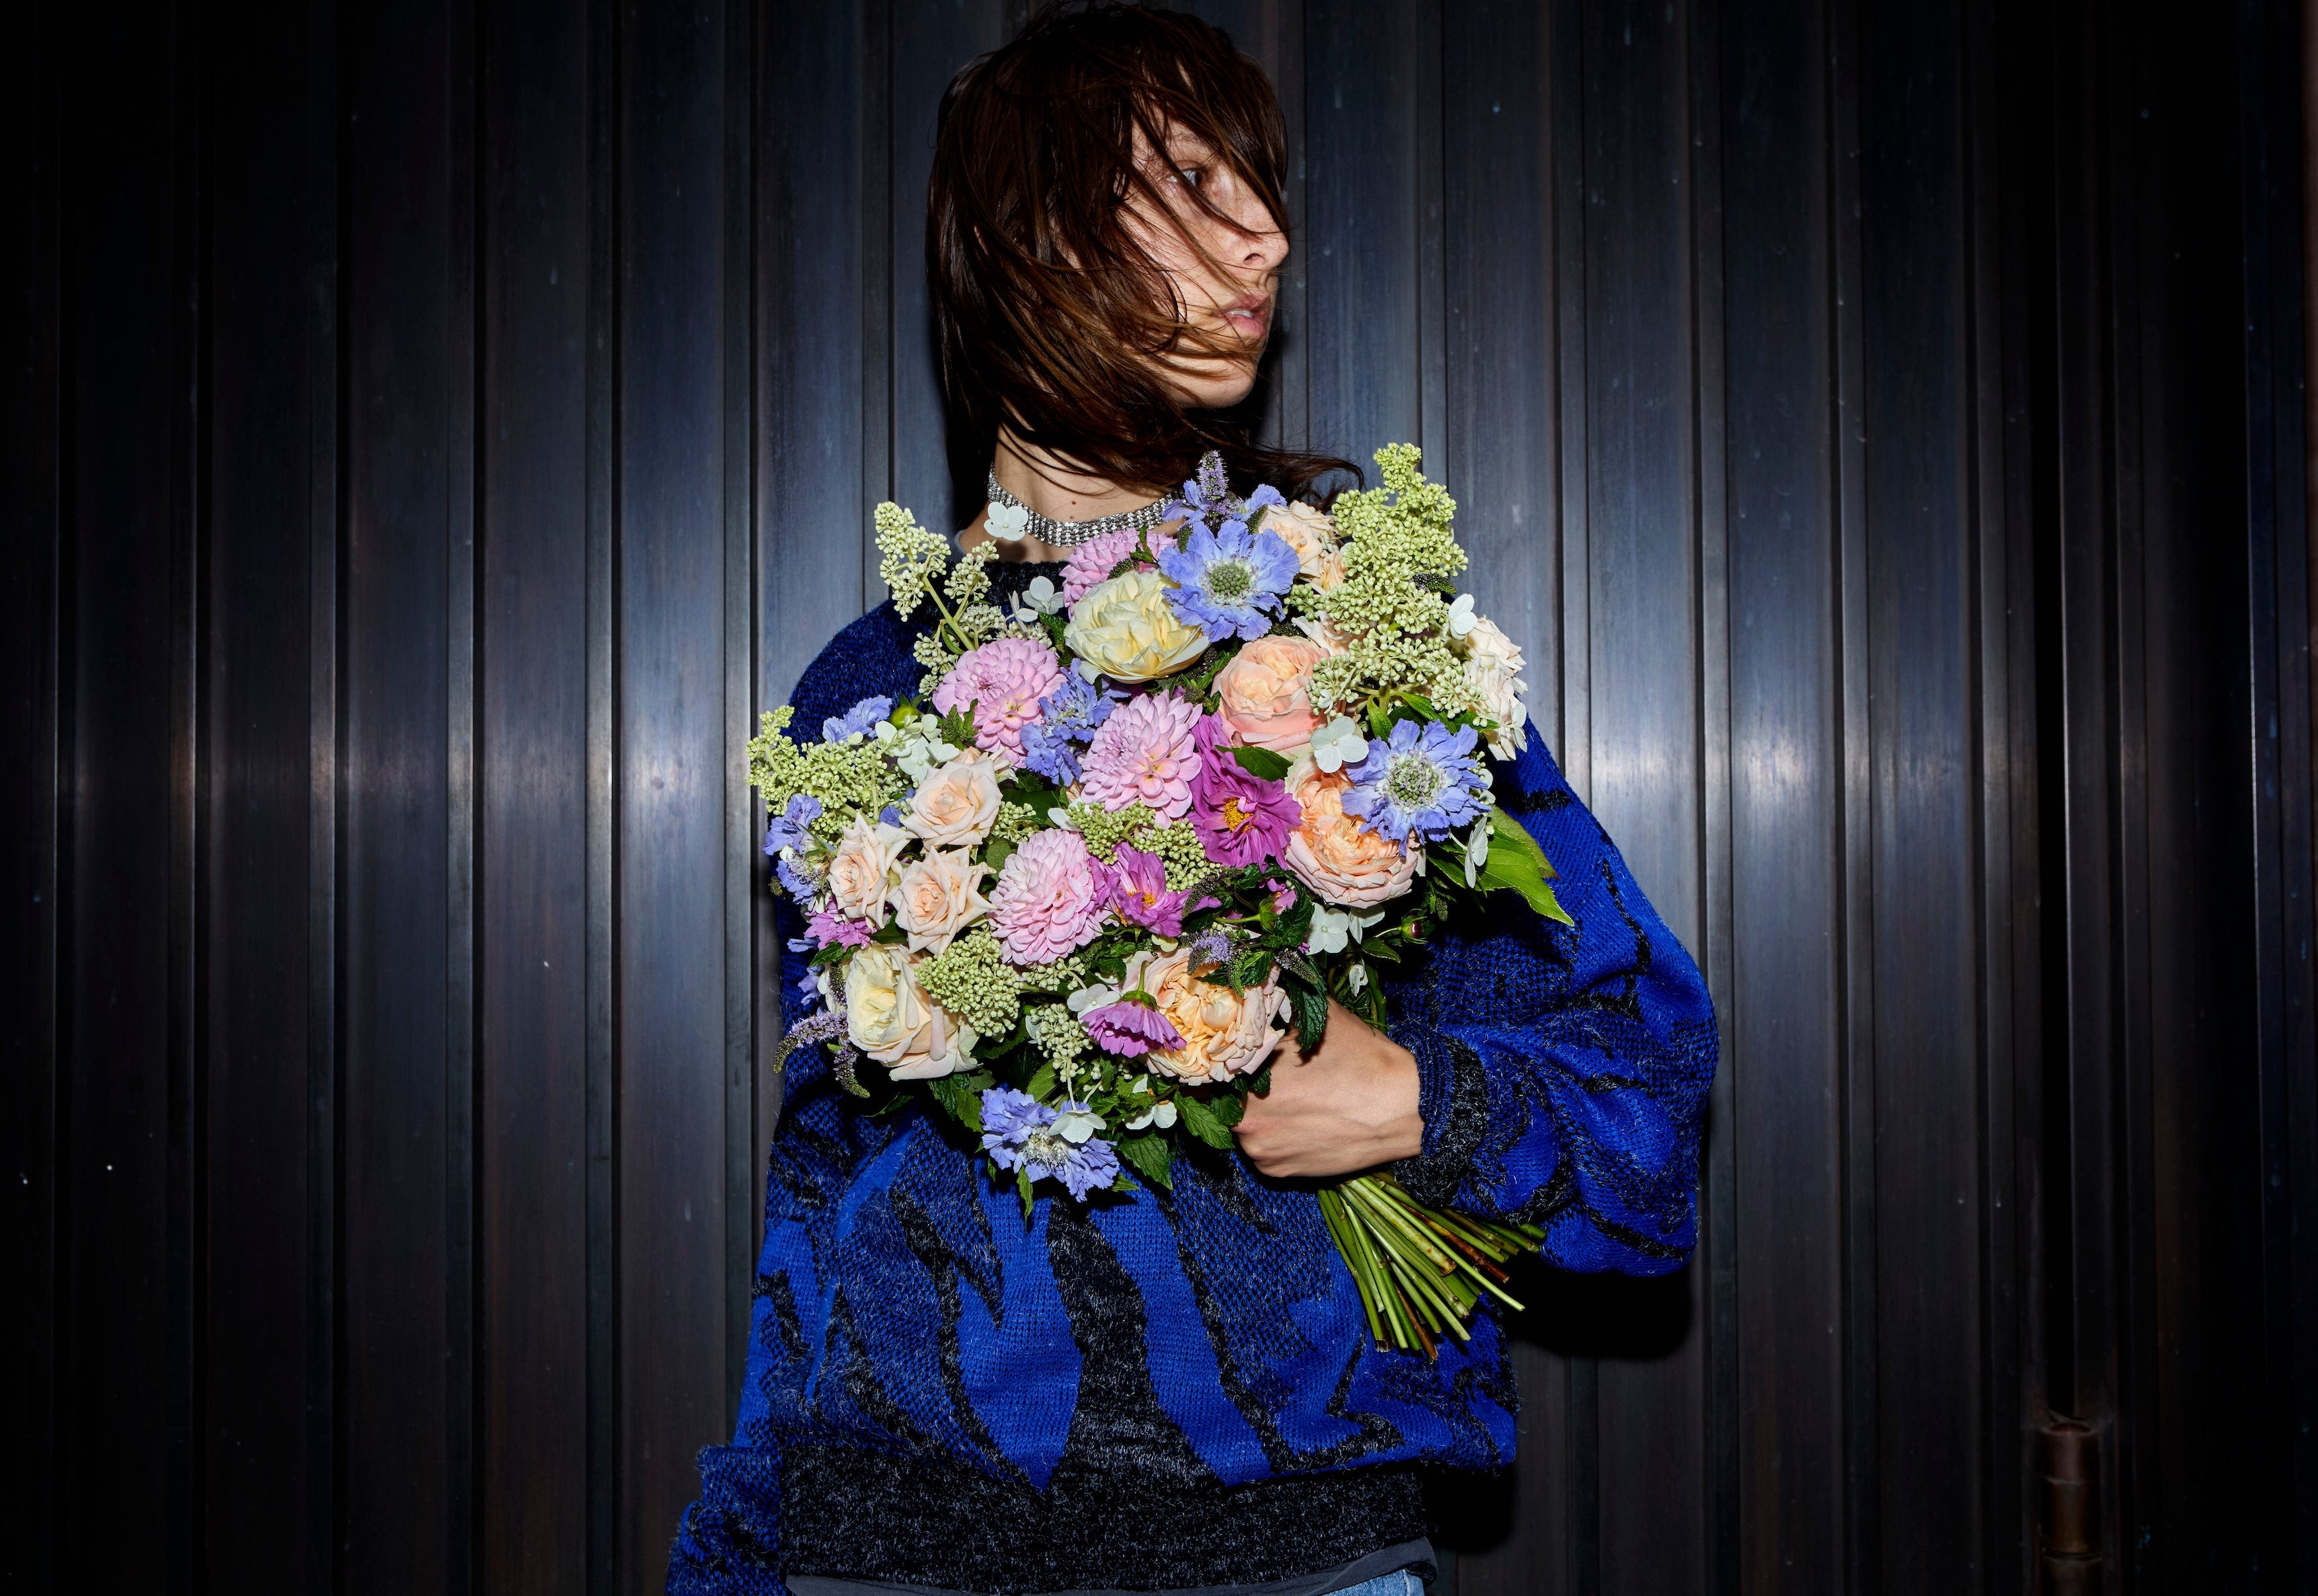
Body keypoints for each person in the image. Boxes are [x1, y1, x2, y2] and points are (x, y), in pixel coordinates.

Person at [667, 5, 1716, 1593]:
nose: (1268, 238)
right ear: (1029, 231)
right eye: (1189, 180)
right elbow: (815, 1201)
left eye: (1264, 187)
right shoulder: (862, 687)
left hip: (1285, 1551)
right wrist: (734, 1561)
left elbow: (1645, 1091)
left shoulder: (1350, 640)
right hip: (879, 1551)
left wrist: (1425, 1100)